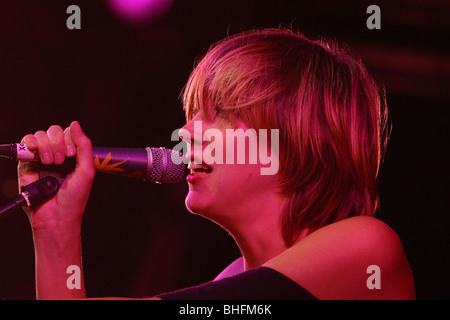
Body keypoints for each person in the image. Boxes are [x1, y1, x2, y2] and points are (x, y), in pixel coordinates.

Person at [18, 28, 415, 300]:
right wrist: (56, 229)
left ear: (291, 138)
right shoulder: (232, 280)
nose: (186, 131)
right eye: (193, 113)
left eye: (220, 112)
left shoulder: (366, 247)